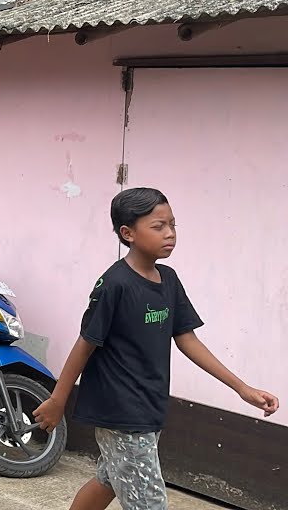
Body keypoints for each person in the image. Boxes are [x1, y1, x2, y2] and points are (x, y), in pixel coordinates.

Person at [34, 188, 279, 510]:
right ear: (128, 233)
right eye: (158, 226)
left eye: (173, 225)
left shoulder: (168, 279)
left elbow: (187, 339)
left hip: (150, 404)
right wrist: (57, 399)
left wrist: (242, 389)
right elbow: (85, 343)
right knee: (149, 502)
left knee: (109, 479)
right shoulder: (114, 285)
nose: (170, 234)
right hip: (121, 410)